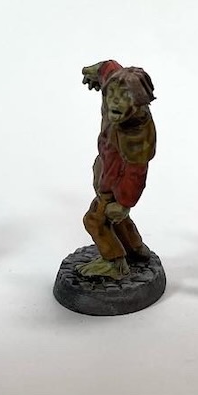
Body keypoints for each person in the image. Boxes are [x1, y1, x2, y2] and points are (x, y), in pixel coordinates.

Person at [76, 60, 158, 280]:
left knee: (95, 220)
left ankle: (114, 263)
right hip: (106, 172)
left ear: (139, 101)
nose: (114, 100)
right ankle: (135, 248)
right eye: (111, 93)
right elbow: (110, 68)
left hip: (116, 184)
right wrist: (95, 71)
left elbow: (136, 173)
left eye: (124, 97)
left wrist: (124, 203)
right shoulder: (114, 87)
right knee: (116, 220)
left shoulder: (137, 132)